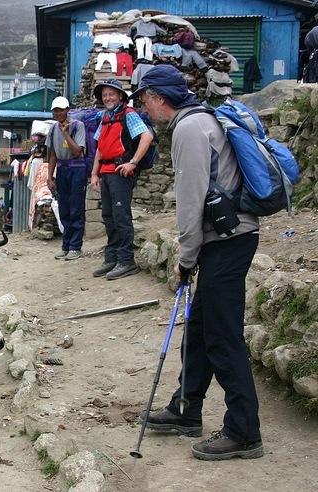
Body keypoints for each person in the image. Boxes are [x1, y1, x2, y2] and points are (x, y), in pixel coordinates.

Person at [132, 64, 263, 460]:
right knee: (202, 329)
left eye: (144, 101)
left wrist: (185, 259)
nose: (144, 109)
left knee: (223, 338)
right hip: (229, 237)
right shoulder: (204, 120)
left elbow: (191, 202)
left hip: (226, 241)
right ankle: (186, 408)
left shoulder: (189, 129)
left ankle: (244, 432)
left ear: (157, 98)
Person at [90, 80, 153, 280]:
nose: (107, 98)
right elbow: (100, 147)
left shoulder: (129, 115)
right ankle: (112, 258)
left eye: (111, 94)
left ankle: (126, 261)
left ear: (120, 96)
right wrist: (94, 173)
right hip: (107, 172)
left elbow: (147, 137)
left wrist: (133, 163)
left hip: (121, 173)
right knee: (109, 216)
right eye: (104, 95)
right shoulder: (106, 117)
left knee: (121, 216)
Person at [46, 96, 88, 260]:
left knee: (75, 208)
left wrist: (65, 133)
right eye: (55, 111)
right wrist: (50, 177)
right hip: (62, 169)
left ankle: (76, 246)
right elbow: (53, 154)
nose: (58, 113)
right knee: (64, 208)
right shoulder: (52, 129)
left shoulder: (78, 126)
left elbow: (78, 151)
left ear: (67, 110)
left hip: (77, 168)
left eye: (61, 110)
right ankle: (66, 245)